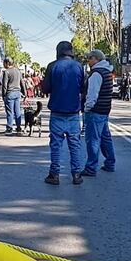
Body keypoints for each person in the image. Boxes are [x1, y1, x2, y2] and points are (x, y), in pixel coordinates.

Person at [41, 41, 85, 185]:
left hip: (57, 112)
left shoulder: (52, 66)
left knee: (55, 145)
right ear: (71, 51)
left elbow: (45, 89)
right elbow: (83, 88)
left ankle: (54, 175)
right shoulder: (78, 66)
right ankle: (77, 174)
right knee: (75, 145)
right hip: (73, 113)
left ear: (58, 51)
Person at [81, 50, 116, 176]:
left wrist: (87, 108)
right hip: (105, 109)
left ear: (95, 59)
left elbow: (92, 94)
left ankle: (91, 168)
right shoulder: (107, 71)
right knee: (105, 138)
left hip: (95, 111)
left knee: (93, 140)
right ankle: (110, 162)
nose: (88, 61)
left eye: (89, 59)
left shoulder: (96, 74)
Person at [1, 57, 24, 135]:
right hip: (18, 93)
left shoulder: (6, 72)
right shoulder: (18, 71)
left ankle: (9, 128)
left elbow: (4, 85)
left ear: (7, 63)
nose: (3, 64)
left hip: (10, 93)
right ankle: (18, 128)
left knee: (10, 112)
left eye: (4, 63)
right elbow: (22, 82)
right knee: (17, 111)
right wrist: (25, 93)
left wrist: (3, 95)